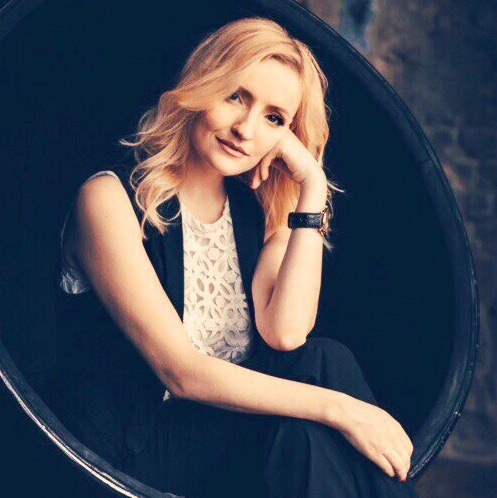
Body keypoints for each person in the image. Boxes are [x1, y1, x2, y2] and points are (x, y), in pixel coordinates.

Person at [52, 16, 419, 498]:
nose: (246, 129)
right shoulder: (107, 198)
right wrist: (344, 410)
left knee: (322, 371)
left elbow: (286, 334)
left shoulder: (252, 214)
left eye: (274, 118)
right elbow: (180, 373)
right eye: (235, 96)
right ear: (202, 87)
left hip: (212, 446)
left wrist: (310, 188)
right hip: (123, 457)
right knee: (323, 394)